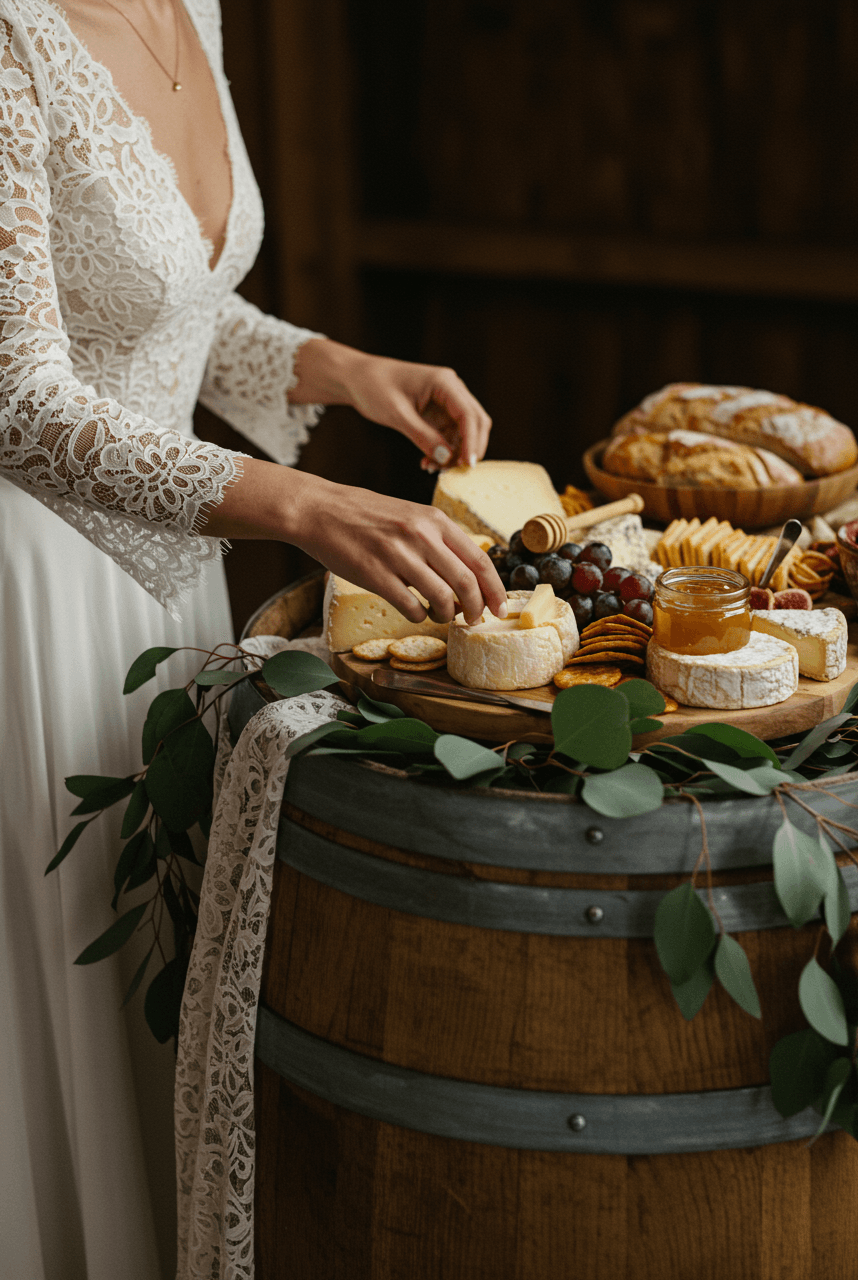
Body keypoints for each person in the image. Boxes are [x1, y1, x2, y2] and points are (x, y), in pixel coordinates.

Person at [0, 1, 506, 1276]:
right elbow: (16, 394)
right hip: (37, 582)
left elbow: (162, 302)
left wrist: (340, 367)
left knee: (157, 951)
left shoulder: (192, 6)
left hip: (173, 578)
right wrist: (302, 502)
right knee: (62, 990)